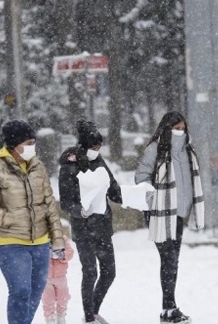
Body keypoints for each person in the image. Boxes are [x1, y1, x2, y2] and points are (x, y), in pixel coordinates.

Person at [0, 119, 65, 324]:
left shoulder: (37, 166)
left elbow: (49, 203)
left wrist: (57, 237)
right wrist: (6, 218)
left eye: (34, 142)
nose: (33, 147)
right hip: (8, 241)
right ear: (15, 144)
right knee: (21, 290)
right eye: (29, 142)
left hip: (39, 240)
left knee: (36, 290)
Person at [134, 111, 205, 324]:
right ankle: (169, 308)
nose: (180, 132)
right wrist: (152, 202)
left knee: (173, 261)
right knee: (169, 259)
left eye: (183, 129)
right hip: (160, 214)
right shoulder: (155, 149)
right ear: (167, 128)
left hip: (179, 213)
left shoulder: (188, 151)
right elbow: (141, 178)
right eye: (176, 128)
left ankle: (169, 308)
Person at [58, 120, 122, 324]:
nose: (97, 150)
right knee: (90, 271)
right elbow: (66, 202)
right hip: (83, 227)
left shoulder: (100, 162)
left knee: (109, 272)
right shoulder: (69, 166)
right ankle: (89, 317)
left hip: (102, 225)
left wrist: (133, 197)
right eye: (94, 147)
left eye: (99, 147)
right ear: (84, 146)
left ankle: (93, 311)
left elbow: (113, 189)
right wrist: (79, 211)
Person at [42, 229, 75, 324]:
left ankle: (61, 316)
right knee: (48, 300)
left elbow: (70, 252)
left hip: (61, 276)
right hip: (46, 276)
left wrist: (62, 255)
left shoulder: (62, 239)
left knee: (63, 298)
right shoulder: (41, 240)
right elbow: (36, 254)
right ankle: (49, 318)